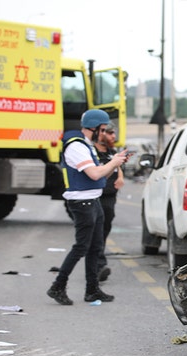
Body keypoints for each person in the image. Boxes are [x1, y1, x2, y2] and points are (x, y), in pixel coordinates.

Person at [46, 109, 129, 305]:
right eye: (103, 129)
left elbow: (100, 177)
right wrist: (114, 162)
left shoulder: (87, 145)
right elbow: (93, 173)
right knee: (81, 247)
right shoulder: (76, 146)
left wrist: (115, 163)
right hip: (81, 203)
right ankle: (57, 286)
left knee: (95, 247)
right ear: (95, 128)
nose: (105, 133)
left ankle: (92, 290)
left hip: (93, 200)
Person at [93, 125, 125, 282]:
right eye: (110, 133)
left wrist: (120, 177)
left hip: (110, 195)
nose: (113, 136)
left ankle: (97, 262)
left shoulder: (112, 153)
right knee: (96, 231)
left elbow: (117, 166)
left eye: (114, 133)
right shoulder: (91, 152)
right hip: (95, 195)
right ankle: (98, 265)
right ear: (101, 134)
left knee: (105, 229)